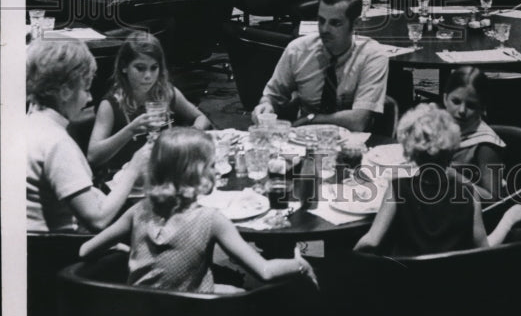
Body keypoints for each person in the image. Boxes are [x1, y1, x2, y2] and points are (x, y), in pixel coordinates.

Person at [79, 128, 317, 293]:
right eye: (212, 165)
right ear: (196, 173)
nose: (217, 170)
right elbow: (264, 271)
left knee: (226, 287)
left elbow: (85, 250)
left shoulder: (139, 210)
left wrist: (126, 248)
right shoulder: (212, 220)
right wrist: (300, 265)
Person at [353, 104, 521, 256]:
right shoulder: (469, 193)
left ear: (410, 153)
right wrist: (508, 220)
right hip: (450, 287)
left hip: (404, 286)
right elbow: (484, 247)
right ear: (452, 151)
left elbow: (371, 242)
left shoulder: (397, 188)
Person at [27, 37, 151, 232]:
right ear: (66, 91)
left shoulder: (30, 123)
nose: (90, 97)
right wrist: (134, 168)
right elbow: (97, 219)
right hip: (56, 253)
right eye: (85, 89)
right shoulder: (57, 142)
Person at [252, 0, 388, 132]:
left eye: (335, 23)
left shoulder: (372, 56)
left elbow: (358, 121)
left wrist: (311, 120)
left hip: (354, 143)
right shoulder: (298, 50)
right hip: (304, 140)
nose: (324, 29)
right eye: (321, 21)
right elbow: (273, 96)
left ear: (356, 24)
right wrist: (266, 106)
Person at [88, 32, 212, 173]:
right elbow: (93, 156)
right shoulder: (111, 104)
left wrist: (191, 134)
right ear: (124, 67)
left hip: (164, 171)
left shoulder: (166, 93)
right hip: (125, 178)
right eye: (140, 68)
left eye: (154, 68)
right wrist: (130, 130)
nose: (148, 76)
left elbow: (201, 118)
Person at [443, 67, 506, 200]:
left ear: (482, 108)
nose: (462, 110)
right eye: (456, 101)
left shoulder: (485, 146)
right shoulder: (440, 127)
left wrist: (456, 177)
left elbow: (492, 198)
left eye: (471, 105)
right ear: (445, 99)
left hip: (471, 211)